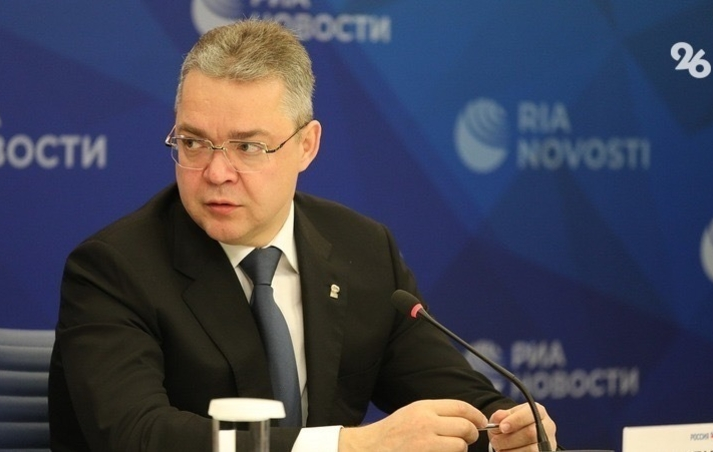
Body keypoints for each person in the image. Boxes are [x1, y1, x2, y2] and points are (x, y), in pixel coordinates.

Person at [48, 19, 558, 452]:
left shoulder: (363, 250)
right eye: (194, 143)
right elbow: (137, 435)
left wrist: (508, 427)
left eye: (248, 147)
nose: (216, 172)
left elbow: (449, 391)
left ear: (307, 146)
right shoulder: (114, 268)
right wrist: (346, 446)